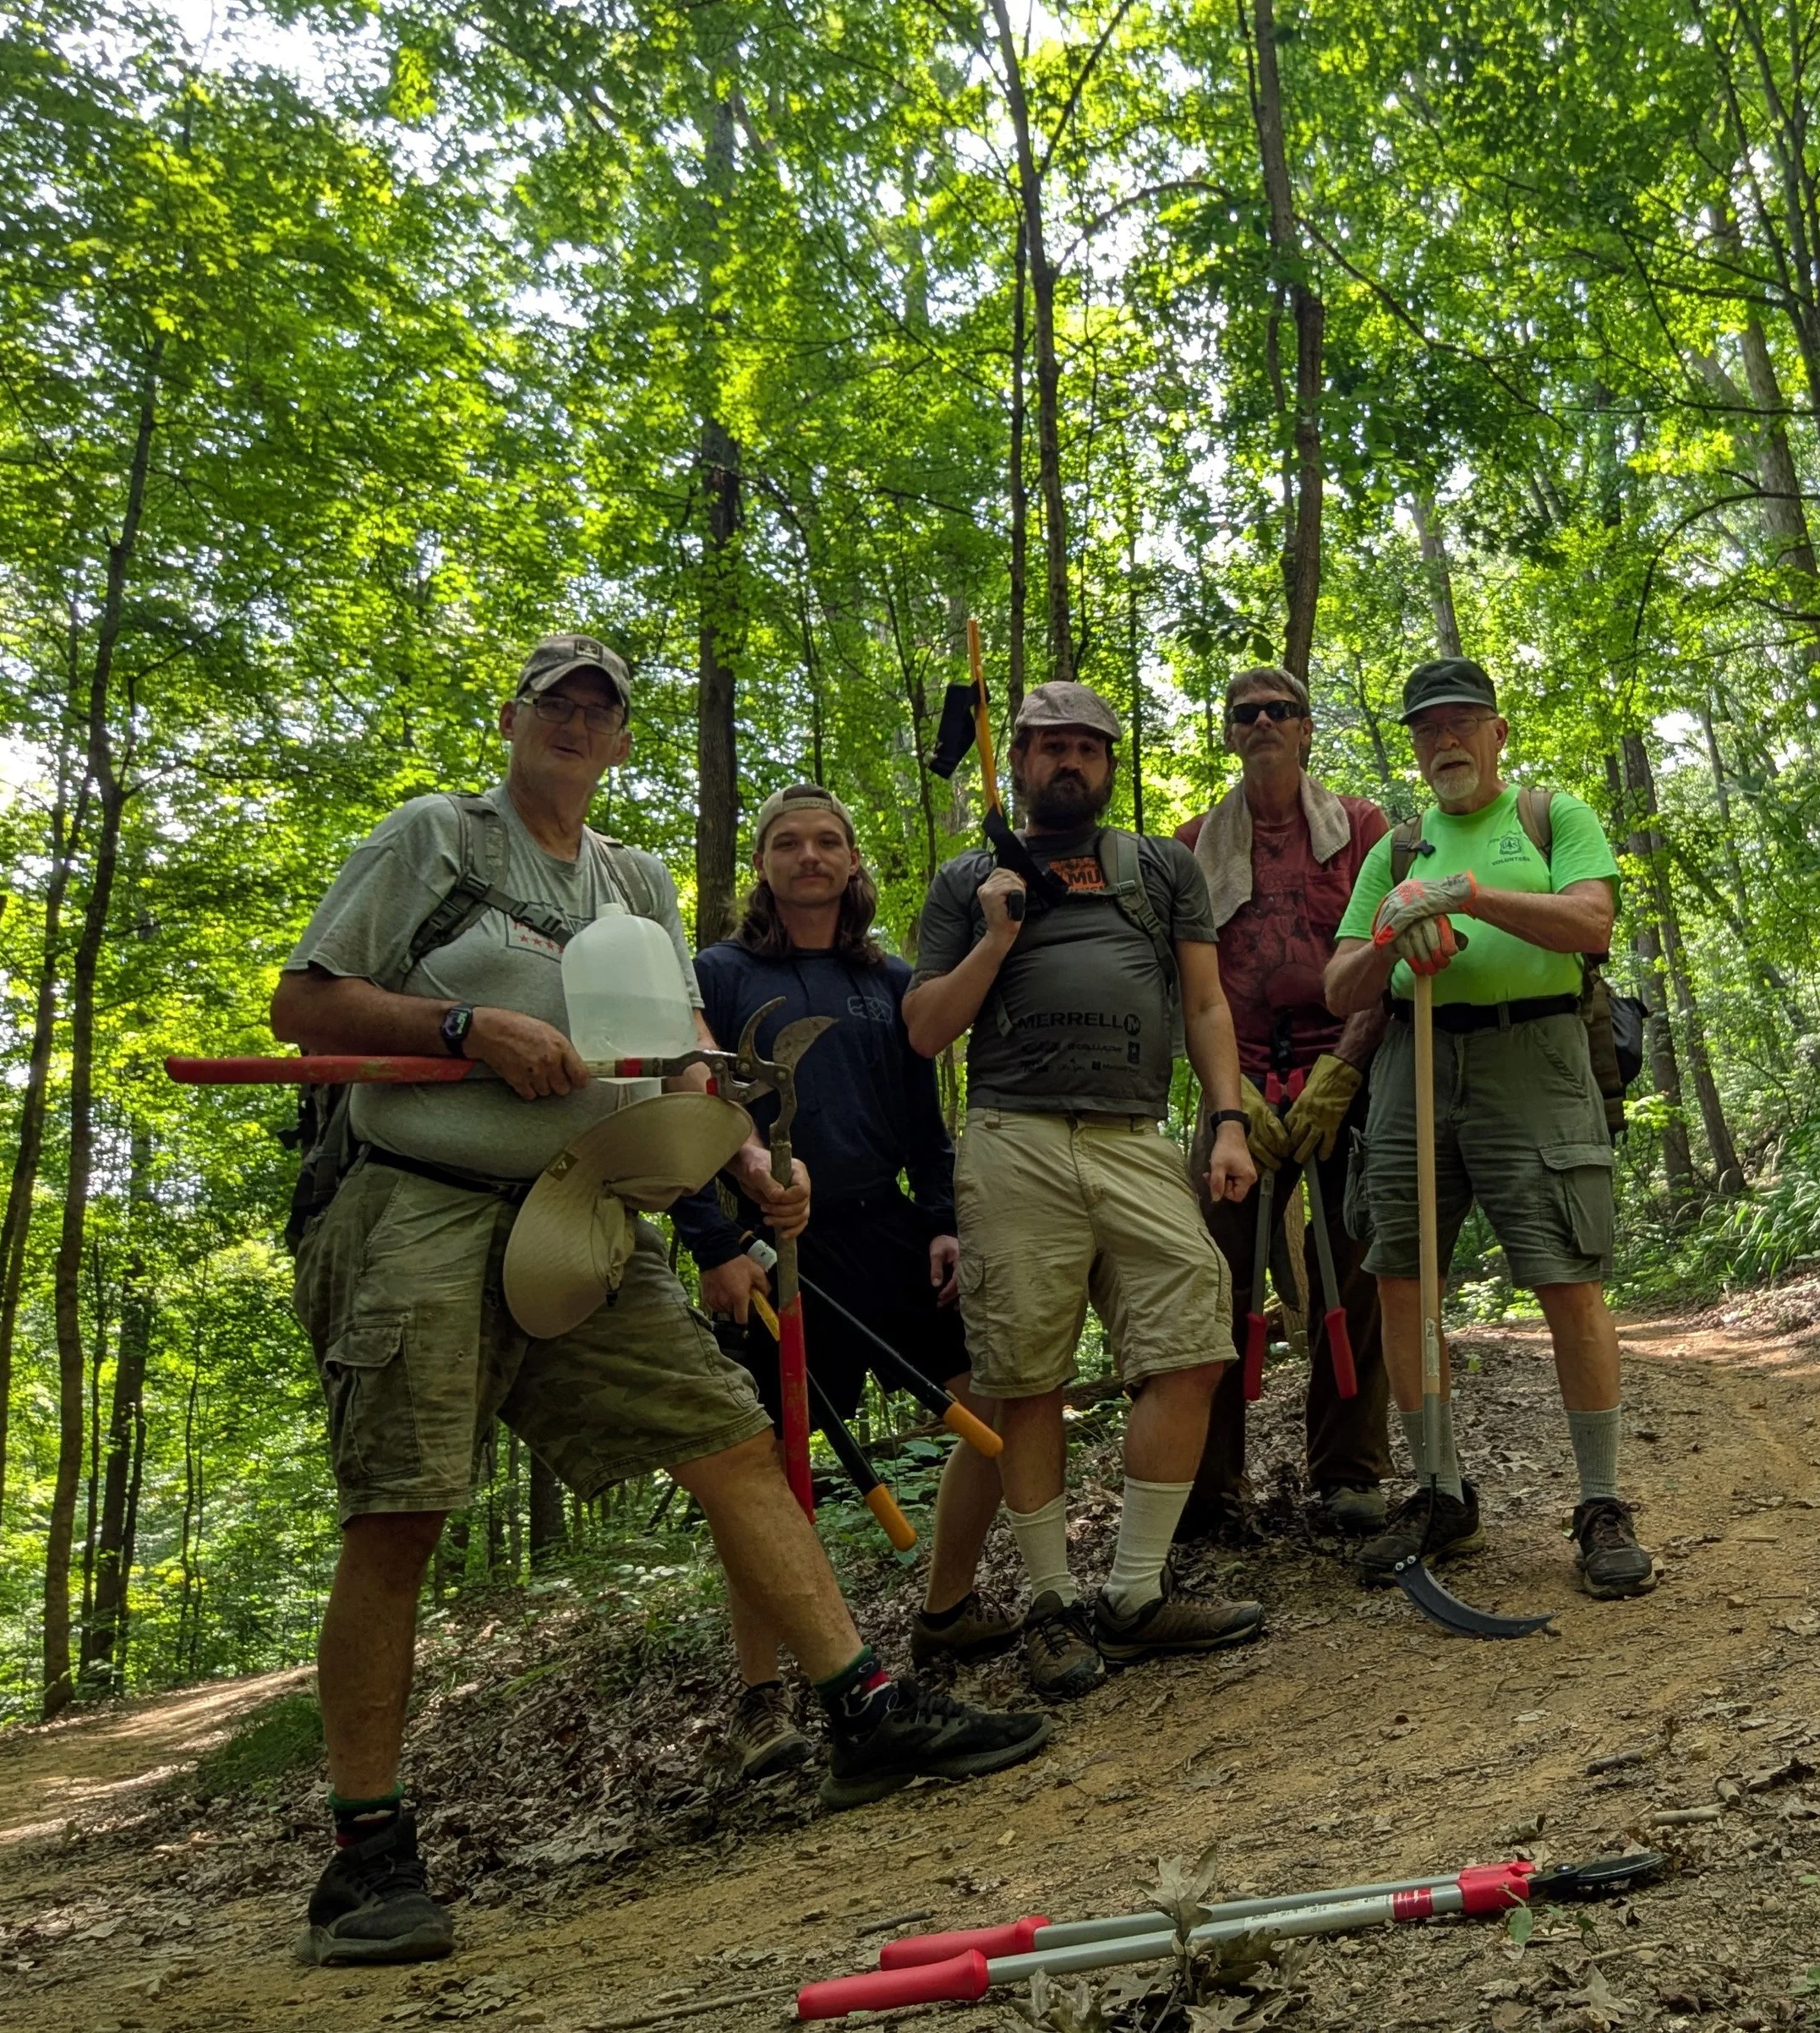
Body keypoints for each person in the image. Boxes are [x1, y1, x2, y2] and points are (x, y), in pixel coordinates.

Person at [271, 637, 1049, 1968]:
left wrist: (743, 1166)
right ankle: (367, 1854)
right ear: (513, 719)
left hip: (593, 1207)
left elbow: (680, 1064)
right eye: (555, 704)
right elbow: (301, 1002)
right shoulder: (433, 841)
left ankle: (863, 1713)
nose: (577, 724)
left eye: (600, 710)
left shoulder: (633, 880)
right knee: (401, 1506)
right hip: (419, 1203)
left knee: (732, 1439)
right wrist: (468, 1031)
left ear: (622, 741)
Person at [905, 680, 1265, 1702]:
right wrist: (995, 933)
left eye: (1086, 749)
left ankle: (1136, 1594)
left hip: (1136, 1135)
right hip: (1012, 1136)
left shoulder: (1160, 866)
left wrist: (1226, 1119)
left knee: (1194, 1341)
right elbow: (926, 1029)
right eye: (1047, 746)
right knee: (1024, 1374)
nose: (1067, 762)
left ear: (1110, 764)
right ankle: (1054, 1606)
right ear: (1015, 761)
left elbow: (1203, 1001)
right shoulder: (967, 877)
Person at [670, 785, 1018, 1781]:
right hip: (767, 1248)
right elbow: (682, 1116)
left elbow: (923, 1120)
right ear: (764, 864)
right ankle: (762, 1696)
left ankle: (946, 1609)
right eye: (788, 842)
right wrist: (709, 1243)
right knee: (768, 1474)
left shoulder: (890, 978)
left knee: (983, 1401)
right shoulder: (718, 974)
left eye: (827, 840)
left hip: (884, 1232)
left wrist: (942, 1218)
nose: (809, 856)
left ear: (853, 860)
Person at [1322, 655, 1653, 1599]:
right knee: (1400, 1276)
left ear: (1497, 731)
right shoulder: (1393, 849)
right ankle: (1438, 1489)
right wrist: (1391, 927)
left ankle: (1600, 1502)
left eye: (1462, 722)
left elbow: (1589, 923)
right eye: (1427, 728)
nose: (1445, 741)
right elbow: (1339, 982)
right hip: (1411, 1068)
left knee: (1565, 1272)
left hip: (1535, 1059)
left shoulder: (1552, 816)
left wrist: (1466, 895)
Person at [1173, 666, 1395, 1538]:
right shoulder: (1192, 841)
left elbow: (1382, 954)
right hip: (1237, 1093)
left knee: (1358, 1270)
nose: (1263, 722)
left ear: (1307, 728)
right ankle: (1210, 1484)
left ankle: (1347, 1473)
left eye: (1281, 710)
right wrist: (1226, 1102)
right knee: (1211, 1282)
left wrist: (1341, 1072)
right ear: (1228, 733)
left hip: (1349, 1071)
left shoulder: (1362, 829)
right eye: (1246, 713)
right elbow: (1191, 986)